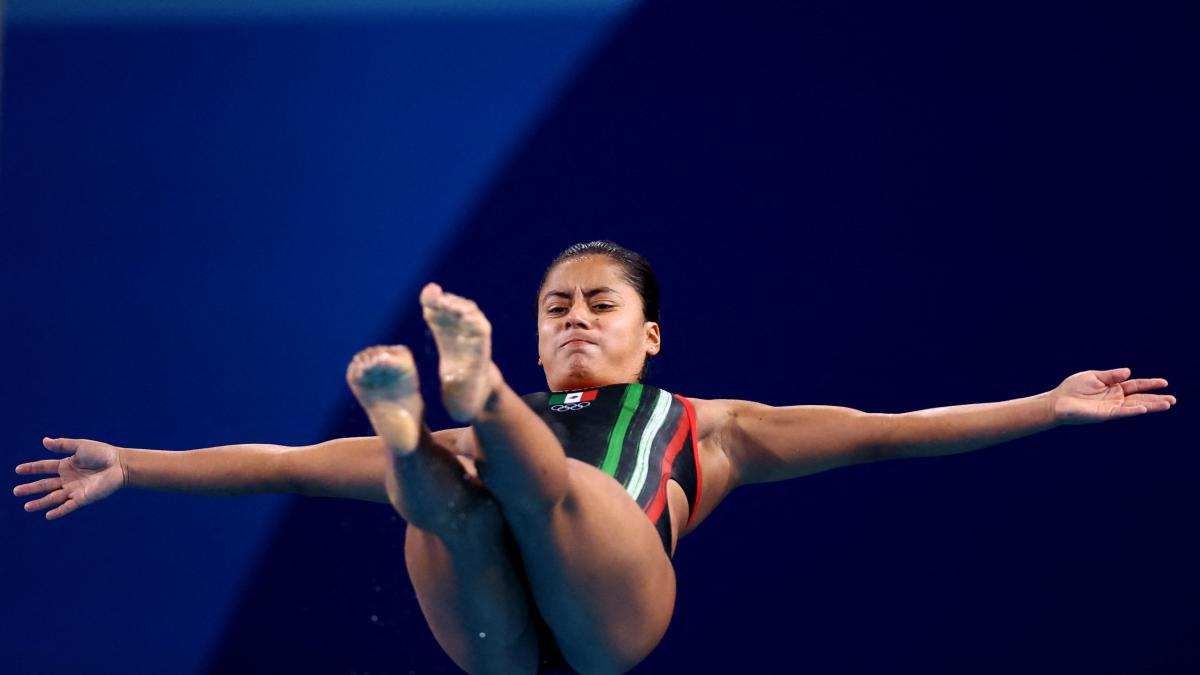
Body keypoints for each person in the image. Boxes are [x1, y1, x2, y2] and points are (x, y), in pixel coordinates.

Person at [13, 240, 1177, 674]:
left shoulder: (714, 428)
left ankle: (440, 408)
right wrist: (137, 462)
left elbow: (887, 433)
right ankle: (412, 423)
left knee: (538, 481)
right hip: (496, 636)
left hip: (614, 608)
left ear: (649, 333)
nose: (574, 319)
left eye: (600, 304)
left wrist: (1045, 404)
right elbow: (276, 462)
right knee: (434, 499)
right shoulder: (482, 451)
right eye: (556, 305)